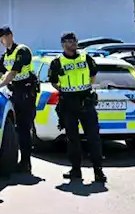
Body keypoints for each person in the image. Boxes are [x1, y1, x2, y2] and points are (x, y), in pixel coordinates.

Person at [46, 32, 107, 184]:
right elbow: (53, 81)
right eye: (69, 41)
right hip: (68, 102)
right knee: (72, 139)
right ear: (63, 44)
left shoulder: (85, 58)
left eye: (74, 41)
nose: (72, 43)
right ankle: (75, 170)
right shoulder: (57, 62)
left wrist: (84, 87)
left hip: (85, 99)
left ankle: (98, 171)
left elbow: (93, 74)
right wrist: (66, 89)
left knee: (93, 137)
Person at [0, 26, 38, 175]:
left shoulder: (22, 51)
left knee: (24, 129)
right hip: (15, 93)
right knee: (16, 129)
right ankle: (18, 161)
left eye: (4, 38)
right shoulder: (5, 56)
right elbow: (0, 72)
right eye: (0, 39)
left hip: (26, 92)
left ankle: (26, 163)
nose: (2, 41)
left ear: (11, 36)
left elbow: (12, 73)